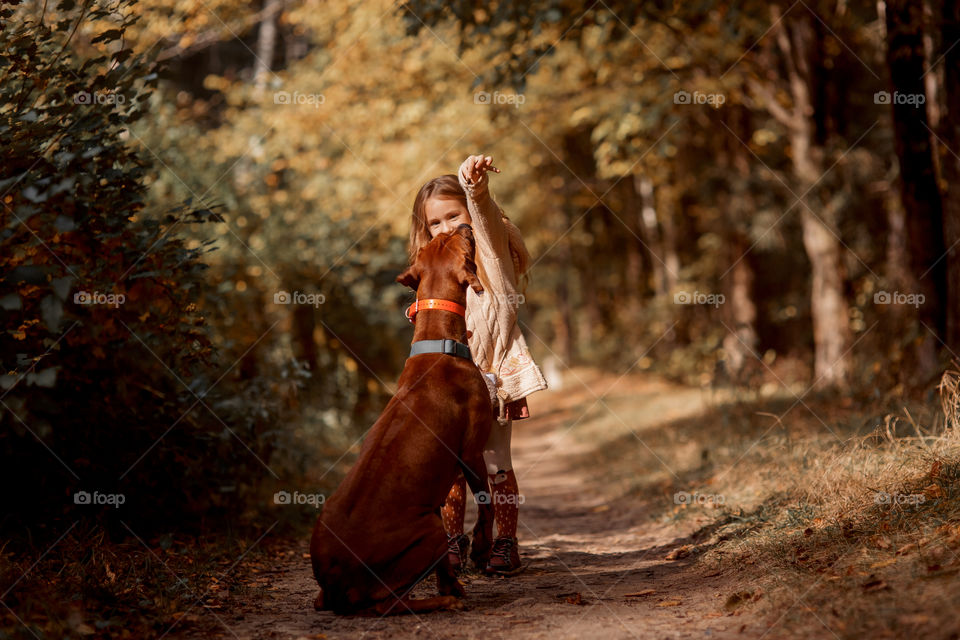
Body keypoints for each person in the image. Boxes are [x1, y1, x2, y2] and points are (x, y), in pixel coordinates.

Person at [406, 154, 549, 575]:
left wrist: (475, 189)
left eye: (455, 215)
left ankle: (505, 543)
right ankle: (453, 541)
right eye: (435, 222)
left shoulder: (491, 256)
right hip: (447, 381)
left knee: (494, 464)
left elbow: (484, 220)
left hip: (492, 377)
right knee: (450, 465)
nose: (446, 228)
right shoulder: (435, 268)